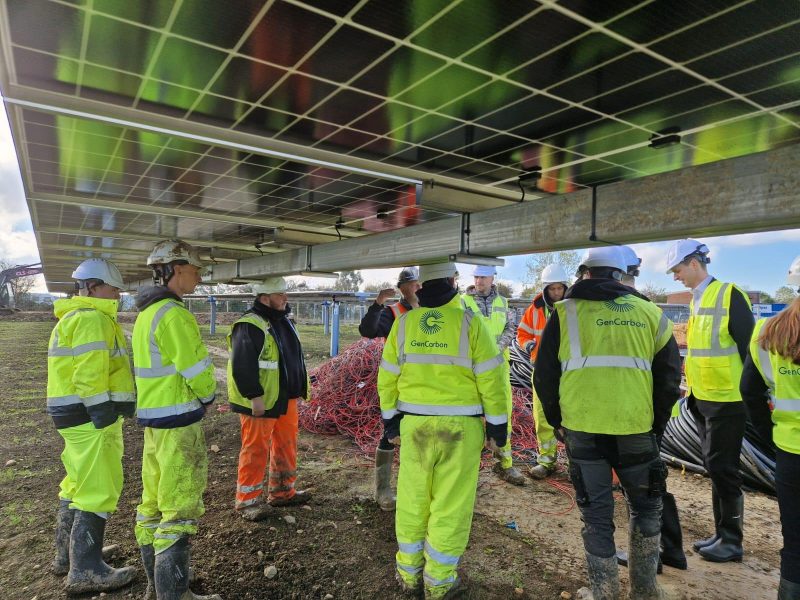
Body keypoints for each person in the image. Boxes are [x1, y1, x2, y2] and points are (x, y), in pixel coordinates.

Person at [534, 246, 682, 599]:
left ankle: (603, 592)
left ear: (584, 273)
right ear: (621, 275)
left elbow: (544, 375)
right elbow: (669, 379)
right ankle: (645, 590)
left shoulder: (564, 313)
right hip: (635, 430)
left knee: (596, 514)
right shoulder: (649, 313)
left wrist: (557, 420)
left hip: (582, 430)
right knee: (646, 507)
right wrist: (655, 426)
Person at [378, 261, 508, 600]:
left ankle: (408, 575)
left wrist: (391, 421)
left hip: (415, 426)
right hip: (460, 430)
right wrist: (497, 427)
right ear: (453, 280)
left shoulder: (404, 324)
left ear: (422, 283)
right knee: (451, 503)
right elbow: (492, 379)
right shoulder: (470, 323)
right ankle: (439, 582)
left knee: (412, 498)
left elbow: (387, 377)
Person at [132, 239, 219, 600]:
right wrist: (209, 394)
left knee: (151, 506)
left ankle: (157, 588)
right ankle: (175, 595)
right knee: (179, 509)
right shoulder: (174, 315)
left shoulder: (146, 314)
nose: (198, 277)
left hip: (155, 423)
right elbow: (195, 368)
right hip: (179, 424)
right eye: (196, 270)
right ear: (177, 269)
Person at [47, 258, 137, 594]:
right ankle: (84, 570)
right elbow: (88, 375)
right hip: (88, 416)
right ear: (93, 287)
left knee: (75, 483)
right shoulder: (92, 320)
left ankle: (67, 557)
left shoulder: (73, 317)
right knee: (98, 487)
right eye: (113, 289)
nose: (118, 295)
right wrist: (103, 413)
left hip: (70, 414)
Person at [666, 238, 754, 563]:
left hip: (728, 400)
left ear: (693, 263)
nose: (675, 277)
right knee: (714, 466)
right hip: (702, 399)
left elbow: (750, 352)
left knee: (723, 467)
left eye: (677, 270)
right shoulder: (696, 300)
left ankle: (732, 541)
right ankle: (722, 534)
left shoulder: (730, 295)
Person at [616, 245, 688, 572]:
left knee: (642, 489)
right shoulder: (647, 310)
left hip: (634, 417)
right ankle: (670, 550)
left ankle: (657, 555)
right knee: (651, 484)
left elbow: (668, 374)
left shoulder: (635, 309)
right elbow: (671, 373)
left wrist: (655, 420)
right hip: (644, 416)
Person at [228, 276, 312, 521]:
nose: (286, 298)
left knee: (286, 446)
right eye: (280, 294)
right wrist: (254, 396)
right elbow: (242, 364)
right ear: (265, 298)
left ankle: (283, 492)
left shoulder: (285, 321)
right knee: (256, 449)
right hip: (262, 401)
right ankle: (247, 502)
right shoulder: (250, 325)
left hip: (286, 398)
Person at [740, 255, 800, 600]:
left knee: (794, 544)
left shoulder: (771, 331)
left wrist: (770, 436)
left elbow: (750, 391)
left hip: (790, 453)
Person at [358, 267, 420, 511]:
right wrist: (377, 304)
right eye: (413, 284)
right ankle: (383, 490)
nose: (418, 288)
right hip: (397, 383)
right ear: (402, 288)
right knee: (391, 432)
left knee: (416, 435)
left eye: (420, 284)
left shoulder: (431, 312)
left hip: (422, 383)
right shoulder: (393, 312)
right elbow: (368, 331)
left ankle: (413, 489)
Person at [462, 264, 524, 485]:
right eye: (477, 277)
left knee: (502, 414)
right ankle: (468, 466)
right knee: (471, 415)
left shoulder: (503, 302)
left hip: (498, 367)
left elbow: (510, 328)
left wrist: (497, 348)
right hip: (471, 368)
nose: (479, 281)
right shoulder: (463, 303)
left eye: (483, 277)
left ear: (492, 278)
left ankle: (503, 463)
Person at [516, 264, 570, 479]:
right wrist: (528, 345)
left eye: (560, 288)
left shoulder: (573, 307)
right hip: (542, 371)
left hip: (568, 370)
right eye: (552, 289)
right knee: (542, 415)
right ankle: (546, 461)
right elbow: (522, 333)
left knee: (572, 415)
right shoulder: (535, 308)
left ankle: (576, 461)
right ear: (545, 288)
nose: (557, 293)